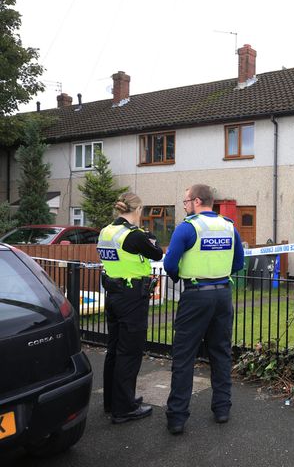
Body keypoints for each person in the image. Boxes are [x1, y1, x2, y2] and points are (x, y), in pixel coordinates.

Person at [163, 184, 244, 435]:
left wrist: (184, 276)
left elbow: (169, 264)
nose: (185, 205)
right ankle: (222, 409)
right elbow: (239, 263)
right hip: (222, 294)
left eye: (186, 201)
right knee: (220, 353)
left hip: (196, 296)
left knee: (184, 356)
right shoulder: (230, 226)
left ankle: (177, 417)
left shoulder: (188, 227)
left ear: (197, 201)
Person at [97, 192, 164, 424]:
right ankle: (124, 408)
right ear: (137, 210)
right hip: (132, 296)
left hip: (113, 294)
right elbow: (157, 253)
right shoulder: (133, 236)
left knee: (114, 349)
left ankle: (112, 402)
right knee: (130, 352)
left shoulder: (106, 231)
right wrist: (149, 235)